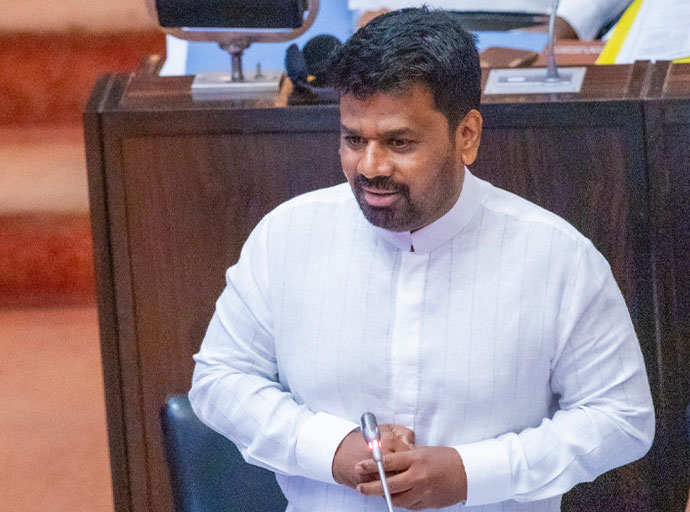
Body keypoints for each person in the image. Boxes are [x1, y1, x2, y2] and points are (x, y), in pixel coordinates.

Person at [189, 7, 654, 511]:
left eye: (399, 142)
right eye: (354, 139)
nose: (371, 166)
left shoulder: (558, 258)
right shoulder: (286, 237)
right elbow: (219, 381)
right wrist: (330, 448)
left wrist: (475, 473)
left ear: (466, 135)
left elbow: (621, 418)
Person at [349, 0, 632, 40]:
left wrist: (573, 19)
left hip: (539, 34)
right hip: (410, 38)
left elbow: (568, 24)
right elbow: (370, 16)